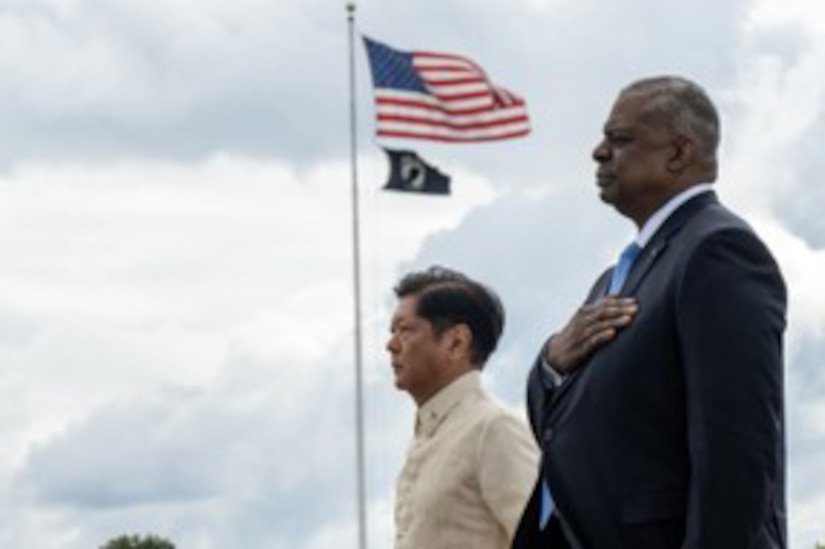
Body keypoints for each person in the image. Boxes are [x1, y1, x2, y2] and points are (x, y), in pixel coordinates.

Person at [512, 76, 787, 549]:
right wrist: (552, 362)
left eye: (619, 139)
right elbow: (555, 425)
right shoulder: (616, 277)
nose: (599, 153)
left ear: (678, 153)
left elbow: (737, 451)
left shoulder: (718, 250)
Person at [387, 266, 539, 549]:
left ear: (456, 342)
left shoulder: (492, 429)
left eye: (405, 330)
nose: (391, 344)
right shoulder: (427, 436)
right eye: (392, 331)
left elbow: (545, 540)